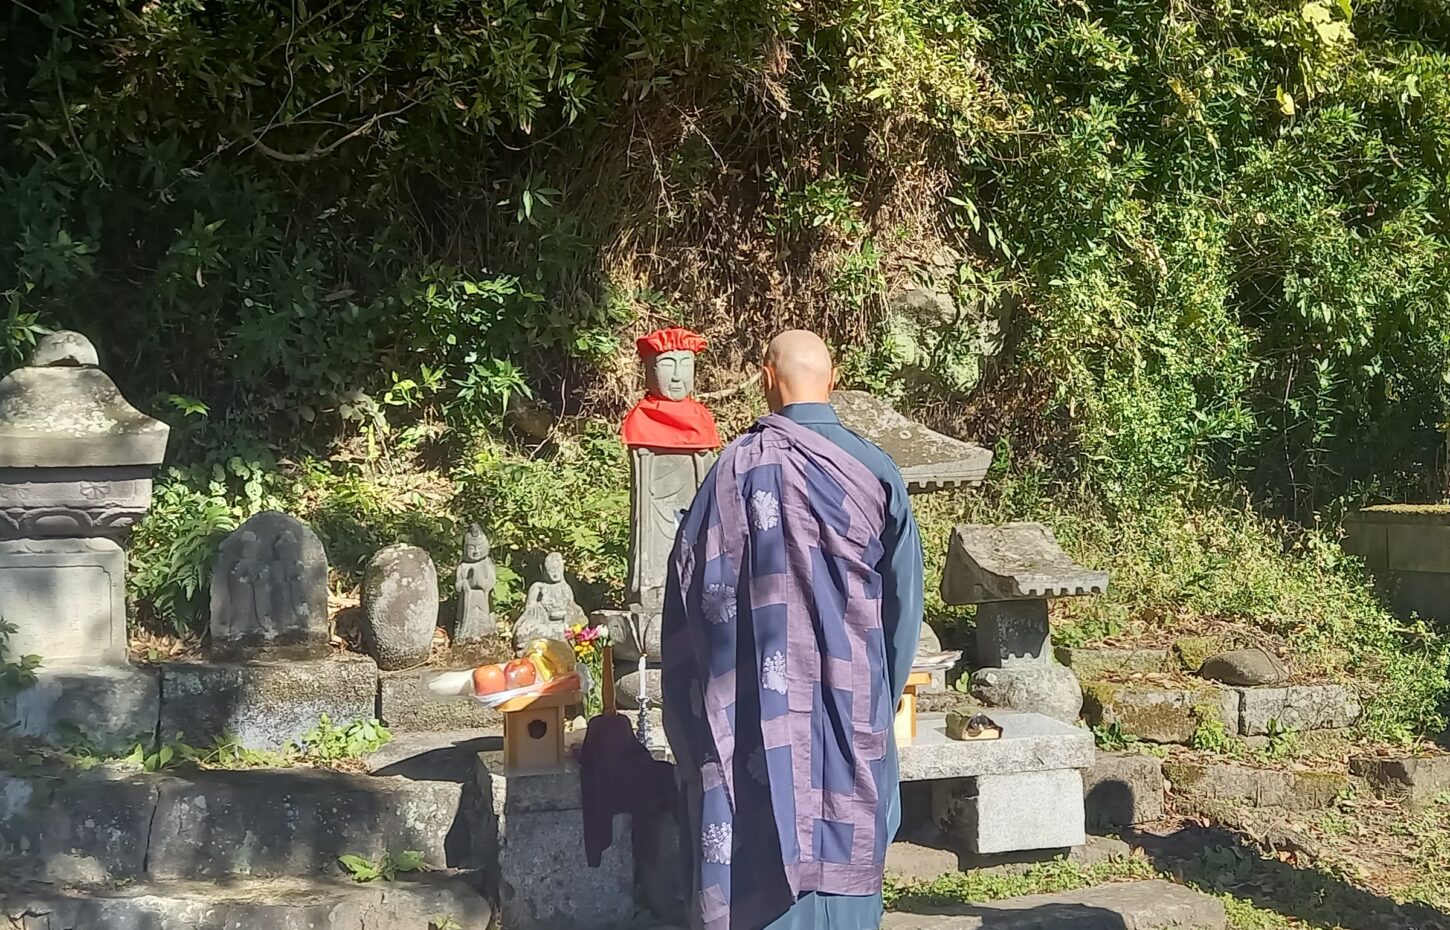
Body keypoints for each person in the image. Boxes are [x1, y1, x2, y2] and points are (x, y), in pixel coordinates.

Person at [662, 329, 924, 930]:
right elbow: (903, 610)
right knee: (848, 853)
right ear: (832, 380)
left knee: (761, 857)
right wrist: (876, 696)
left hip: (753, 717)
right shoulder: (873, 469)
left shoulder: (729, 472)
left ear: (764, 378)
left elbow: (686, 603)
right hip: (852, 714)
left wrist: (690, 721)